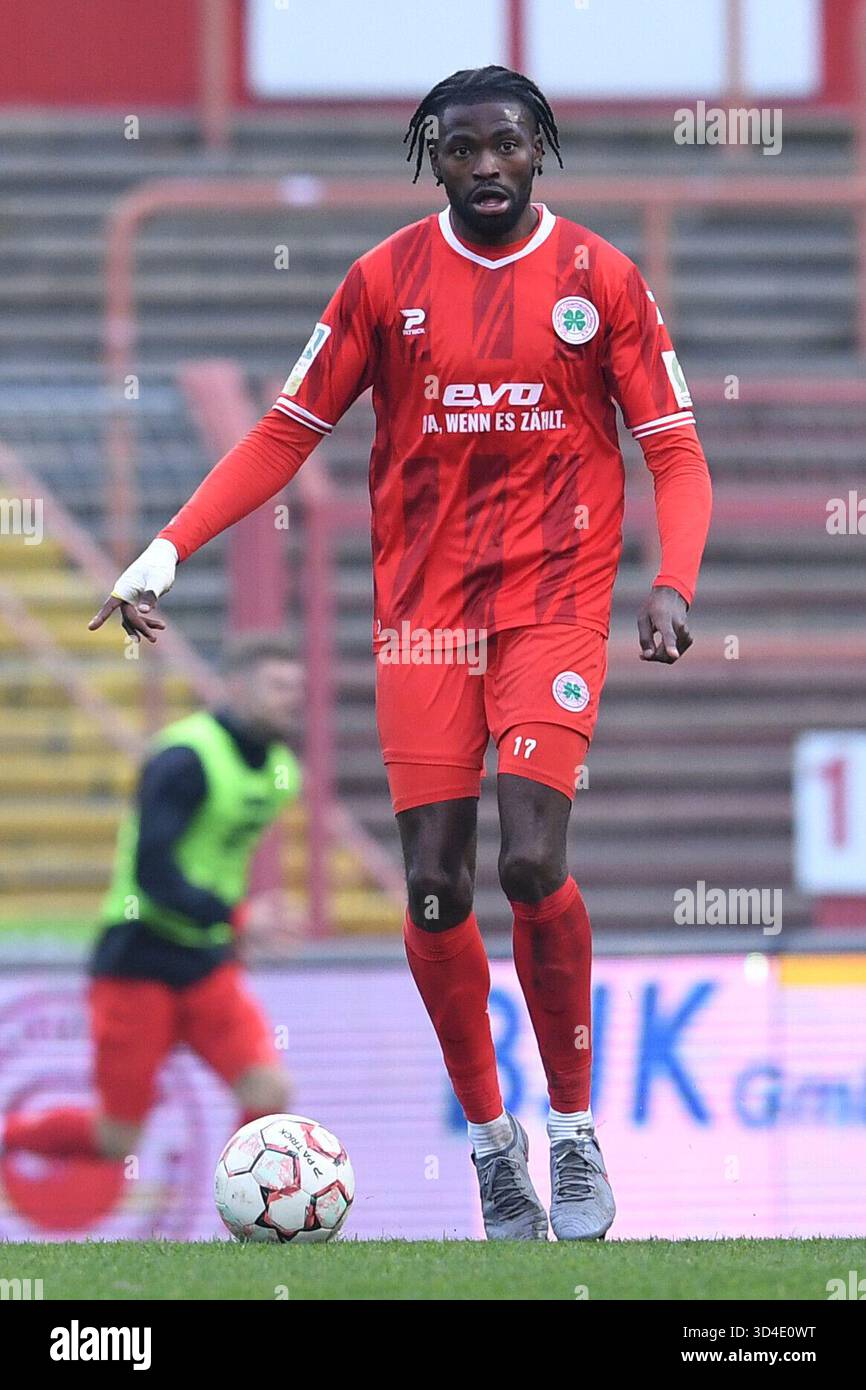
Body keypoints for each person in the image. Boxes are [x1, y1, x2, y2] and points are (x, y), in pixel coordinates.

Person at [89, 66, 712, 1240]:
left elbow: (674, 450)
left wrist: (670, 583)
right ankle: (493, 1151)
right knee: (433, 887)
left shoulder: (599, 278)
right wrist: (166, 549)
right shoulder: (381, 281)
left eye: (507, 145)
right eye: (462, 149)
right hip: (422, 618)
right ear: (432, 157)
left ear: (541, 151)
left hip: (550, 603)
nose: (485, 167)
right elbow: (283, 432)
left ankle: (571, 1133)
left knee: (531, 861)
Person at [2, 635, 302, 1167]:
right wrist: (236, 918)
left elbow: (217, 858)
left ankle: (248, 1209)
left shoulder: (281, 772)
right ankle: (10, 1137)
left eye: (295, 688)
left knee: (268, 1092)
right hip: (138, 956)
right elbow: (152, 873)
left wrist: (235, 930)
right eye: (276, 686)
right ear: (235, 687)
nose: (289, 699)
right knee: (118, 1139)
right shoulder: (184, 758)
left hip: (205, 961)